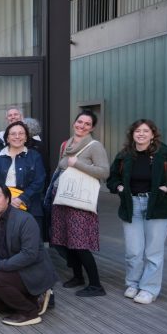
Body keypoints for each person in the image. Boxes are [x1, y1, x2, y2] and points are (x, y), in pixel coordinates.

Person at [107, 119, 167, 304]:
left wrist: (165, 189)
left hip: (158, 205)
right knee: (133, 251)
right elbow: (112, 178)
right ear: (132, 134)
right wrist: (119, 188)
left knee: (153, 252)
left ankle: (149, 289)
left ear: (153, 134)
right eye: (137, 131)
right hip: (132, 205)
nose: (141, 134)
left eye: (146, 131)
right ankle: (133, 283)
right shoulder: (124, 155)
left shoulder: (165, 154)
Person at [48, 111, 110, 297]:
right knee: (66, 241)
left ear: (92, 128)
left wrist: (77, 164)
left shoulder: (94, 146)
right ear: (74, 122)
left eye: (87, 124)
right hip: (62, 198)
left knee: (80, 243)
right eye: (80, 122)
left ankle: (96, 285)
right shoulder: (66, 145)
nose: (82, 126)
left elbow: (104, 172)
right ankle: (78, 277)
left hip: (80, 202)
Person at [0, 183, 56, 326]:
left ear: (7, 198)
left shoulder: (25, 219)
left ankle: (29, 312)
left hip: (31, 272)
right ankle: (30, 299)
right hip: (8, 271)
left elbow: (29, 254)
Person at [0, 121, 46, 230]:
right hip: (2, 206)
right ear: (7, 138)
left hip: (29, 206)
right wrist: (7, 199)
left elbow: (39, 182)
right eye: (13, 134)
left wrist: (21, 198)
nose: (17, 137)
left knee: (29, 238)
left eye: (21, 133)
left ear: (26, 137)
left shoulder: (35, 156)